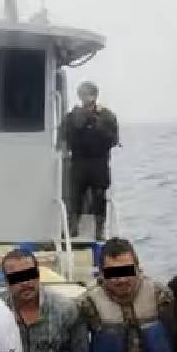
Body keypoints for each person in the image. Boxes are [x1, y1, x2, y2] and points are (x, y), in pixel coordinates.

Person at [60, 81, 120, 241]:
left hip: (99, 162)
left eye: (87, 94)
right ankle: (73, 227)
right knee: (75, 195)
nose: (85, 97)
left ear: (94, 96)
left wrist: (97, 123)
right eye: (82, 94)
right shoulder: (72, 116)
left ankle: (99, 230)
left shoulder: (106, 116)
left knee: (99, 196)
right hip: (79, 161)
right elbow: (64, 136)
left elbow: (113, 140)